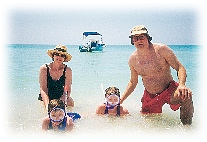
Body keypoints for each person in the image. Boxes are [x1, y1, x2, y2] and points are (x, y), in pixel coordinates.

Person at [120, 25, 194, 125]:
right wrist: (121, 99)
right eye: (135, 38)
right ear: (132, 41)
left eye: (141, 37)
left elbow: (180, 67)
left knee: (186, 95)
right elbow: (133, 82)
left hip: (169, 89)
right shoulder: (132, 59)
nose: (139, 41)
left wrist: (182, 84)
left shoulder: (161, 49)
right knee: (148, 124)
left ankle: (187, 128)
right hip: (150, 95)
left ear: (148, 37)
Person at [38, 44, 74, 109]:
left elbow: (67, 90)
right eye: (57, 54)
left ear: (64, 58)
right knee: (45, 109)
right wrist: (48, 106)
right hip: (47, 96)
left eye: (62, 55)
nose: (59, 57)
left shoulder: (67, 70)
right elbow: (43, 89)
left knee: (70, 102)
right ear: (53, 56)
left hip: (60, 96)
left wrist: (60, 104)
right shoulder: (44, 68)